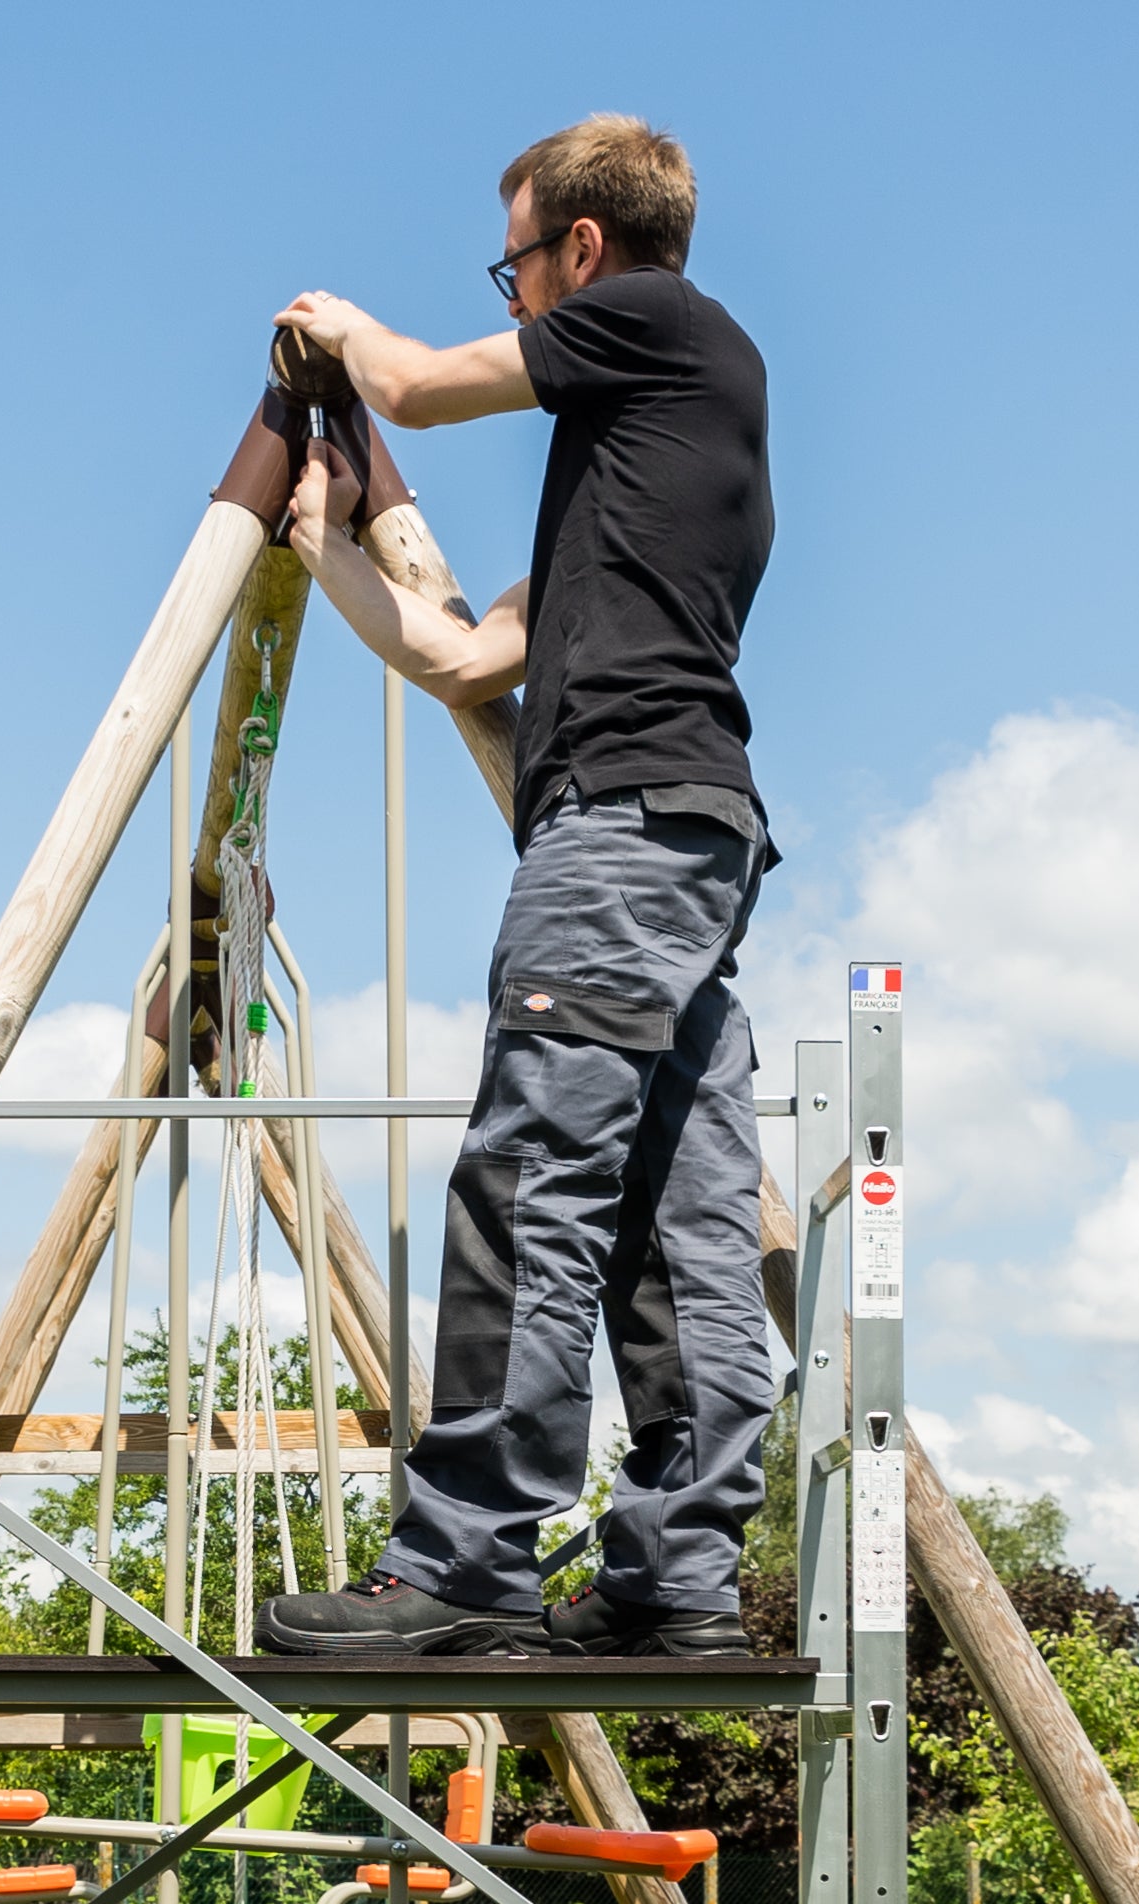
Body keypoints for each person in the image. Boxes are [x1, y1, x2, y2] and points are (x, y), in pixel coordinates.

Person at [259, 113, 777, 1661]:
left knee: (528, 1179)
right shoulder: (637, 468)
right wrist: (329, 545)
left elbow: (410, 381)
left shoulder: (657, 322)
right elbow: (460, 657)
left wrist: (332, 328)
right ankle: (676, 1579)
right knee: (679, 1218)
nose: (513, 299)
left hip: (616, 833)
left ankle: (468, 1558)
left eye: (515, 265)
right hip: (684, 842)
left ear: (585, 253)